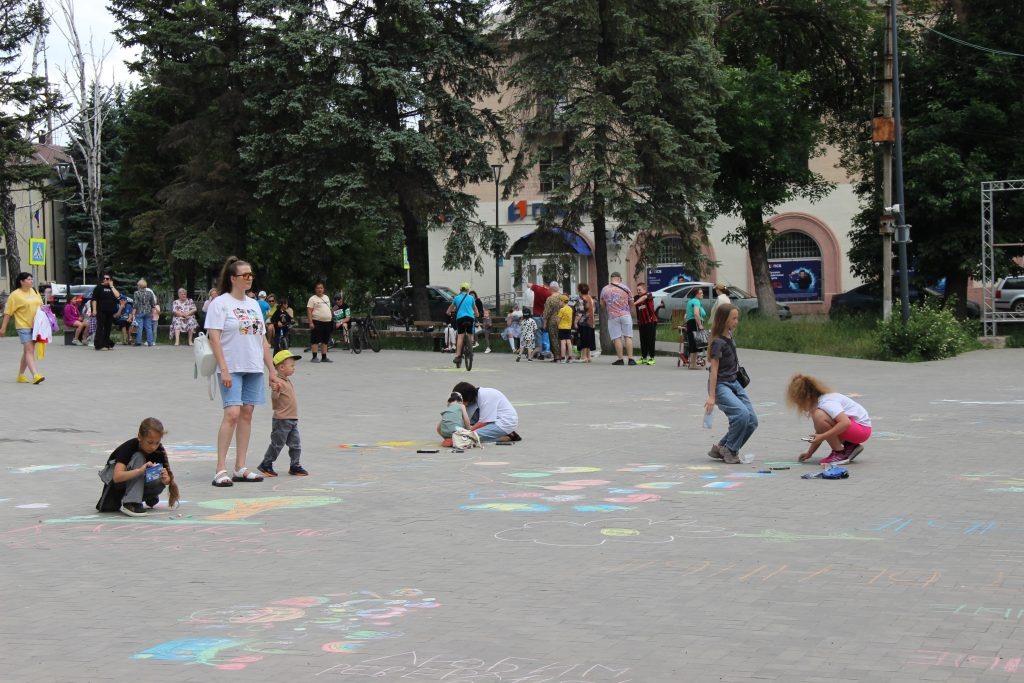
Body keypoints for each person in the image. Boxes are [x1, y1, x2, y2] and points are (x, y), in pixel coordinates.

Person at [205, 255, 280, 487]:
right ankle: (220, 468)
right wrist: (224, 369)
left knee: (247, 414)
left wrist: (273, 371)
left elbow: (262, 341)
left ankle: (241, 466)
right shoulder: (221, 303)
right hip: (231, 367)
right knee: (232, 414)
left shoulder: (254, 305)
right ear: (232, 278)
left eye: (251, 275)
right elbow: (214, 338)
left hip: (253, 366)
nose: (249, 279)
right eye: (244, 275)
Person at [704, 304, 758, 465]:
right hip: (721, 385)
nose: (736, 321)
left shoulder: (729, 335)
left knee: (752, 420)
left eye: (737, 318)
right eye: (733, 318)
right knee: (741, 415)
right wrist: (712, 397)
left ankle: (721, 447)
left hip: (734, 382)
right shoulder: (717, 343)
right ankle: (730, 450)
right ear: (723, 320)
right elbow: (713, 371)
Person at [95, 417, 179, 517]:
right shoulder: (129, 447)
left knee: (159, 480)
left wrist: (166, 479)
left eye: (157, 443)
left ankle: (143, 498)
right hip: (117, 488)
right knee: (139, 457)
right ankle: (131, 503)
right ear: (140, 437)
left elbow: (168, 478)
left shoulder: (159, 451)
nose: (153, 447)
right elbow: (117, 477)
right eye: (149, 442)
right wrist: (140, 470)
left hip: (140, 486)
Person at [786, 374, 872, 467]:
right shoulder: (822, 401)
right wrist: (810, 452)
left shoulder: (827, 403)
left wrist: (823, 436)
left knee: (819, 415)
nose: (800, 407)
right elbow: (820, 430)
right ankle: (850, 446)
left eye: (799, 402)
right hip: (858, 429)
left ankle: (839, 453)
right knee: (820, 418)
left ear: (807, 398)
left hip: (861, 430)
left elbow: (845, 423)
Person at [257, 350, 309, 478]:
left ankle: (295, 465)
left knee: (296, 444)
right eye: (291, 365)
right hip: (282, 420)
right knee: (277, 444)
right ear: (281, 367)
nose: (294, 368)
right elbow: (274, 398)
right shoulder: (278, 383)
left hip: (292, 420)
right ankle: (266, 463)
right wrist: (276, 391)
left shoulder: (287, 380)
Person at [2, 272, 45, 383]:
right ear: (22, 281)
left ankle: (20, 375)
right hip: (23, 326)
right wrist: (3, 328)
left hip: (36, 326)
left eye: (32, 279)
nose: (31, 281)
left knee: (27, 351)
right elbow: (8, 312)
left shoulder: (35, 291)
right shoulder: (15, 295)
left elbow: (41, 306)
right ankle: (35, 375)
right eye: (29, 279)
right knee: (29, 350)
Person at [451, 381, 520, 443]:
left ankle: (505, 437)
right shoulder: (477, 395)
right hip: (493, 419)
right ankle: (499, 434)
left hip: (504, 422)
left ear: (466, 398)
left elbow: (483, 422)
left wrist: (466, 432)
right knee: (466, 433)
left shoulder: (485, 396)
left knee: (469, 437)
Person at [599, 272, 635, 365]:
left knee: (617, 338)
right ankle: (631, 359)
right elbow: (631, 302)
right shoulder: (626, 288)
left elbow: (602, 304)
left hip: (612, 317)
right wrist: (627, 310)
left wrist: (609, 308)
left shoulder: (604, 289)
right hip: (625, 314)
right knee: (628, 336)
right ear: (619, 278)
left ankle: (620, 359)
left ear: (611, 278)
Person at [446, 283, 477, 368]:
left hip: (460, 319)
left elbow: (451, 307)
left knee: (460, 336)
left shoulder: (456, 298)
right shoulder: (471, 298)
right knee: (470, 334)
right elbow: (475, 308)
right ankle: (470, 350)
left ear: (460, 290)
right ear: (468, 290)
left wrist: (448, 313)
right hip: (470, 318)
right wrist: (477, 314)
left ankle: (458, 356)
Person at [91, 272, 120, 351]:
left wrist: (112, 286)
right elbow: (94, 299)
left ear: (110, 280)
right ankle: (98, 345)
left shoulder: (112, 288)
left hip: (110, 311)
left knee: (108, 328)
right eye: (104, 278)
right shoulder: (99, 287)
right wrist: (94, 309)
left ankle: (106, 343)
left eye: (107, 279)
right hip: (101, 311)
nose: (105, 280)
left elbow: (118, 296)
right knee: (100, 327)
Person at [307, 281, 333, 363]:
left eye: (321, 288)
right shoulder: (312, 299)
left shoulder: (326, 297)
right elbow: (309, 311)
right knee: (315, 339)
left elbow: (329, 308)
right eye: (318, 288)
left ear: (323, 289)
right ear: (315, 289)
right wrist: (311, 322)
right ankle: (314, 357)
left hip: (327, 321)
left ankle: (324, 357)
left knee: (325, 340)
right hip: (317, 321)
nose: (320, 289)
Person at [633, 282, 658, 365]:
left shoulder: (649, 295)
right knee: (643, 340)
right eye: (637, 290)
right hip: (642, 322)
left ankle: (652, 358)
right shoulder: (636, 297)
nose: (638, 291)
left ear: (644, 289)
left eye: (639, 290)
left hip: (650, 321)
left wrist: (634, 303)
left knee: (650, 340)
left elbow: (644, 297)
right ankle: (644, 357)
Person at [684, 287, 706, 370]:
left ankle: (692, 363)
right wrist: (700, 325)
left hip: (691, 323)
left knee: (694, 343)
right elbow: (696, 314)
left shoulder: (691, 301)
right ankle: (692, 364)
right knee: (695, 343)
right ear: (696, 294)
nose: (702, 294)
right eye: (700, 293)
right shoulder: (696, 301)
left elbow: (686, 315)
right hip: (694, 323)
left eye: (702, 293)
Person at [132, 279, 157, 346]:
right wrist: (153, 312)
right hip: (148, 312)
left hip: (139, 312)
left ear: (139, 286)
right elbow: (153, 304)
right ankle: (150, 342)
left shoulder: (136, 293)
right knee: (149, 327)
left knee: (139, 327)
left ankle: (138, 342)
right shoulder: (150, 293)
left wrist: (133, 313)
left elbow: (135, 304)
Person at [542, 282, 563, 361]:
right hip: (562, 320)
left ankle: (556, 356)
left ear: (551, 289)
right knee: (562, 337)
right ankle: (562, 355)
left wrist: (544, 322)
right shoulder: (563, 297)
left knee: (553, 337)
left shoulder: (550, 299)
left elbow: (547, 312)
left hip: (553, 321)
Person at [575, 283, 596, 363]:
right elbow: (594, 310)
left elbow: (579, 312)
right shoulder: (590, 298)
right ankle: (588, 356)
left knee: (583, 339)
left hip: (583, 322)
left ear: (579, 290)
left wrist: (575, 322)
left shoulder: (580, 299)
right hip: (591, 321)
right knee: (589, 339)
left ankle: (583, 357)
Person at [557, 294, 574, 363]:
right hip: (568, 327)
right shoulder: (570, 309)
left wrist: (557, 324)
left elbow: (558, 319)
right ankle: (570, 357)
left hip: (562, 327)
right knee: (569, 342)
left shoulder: (562, 309)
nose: (559, 303)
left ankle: (563, 357)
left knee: (563, 342)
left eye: (560, 301)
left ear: (562, 301)